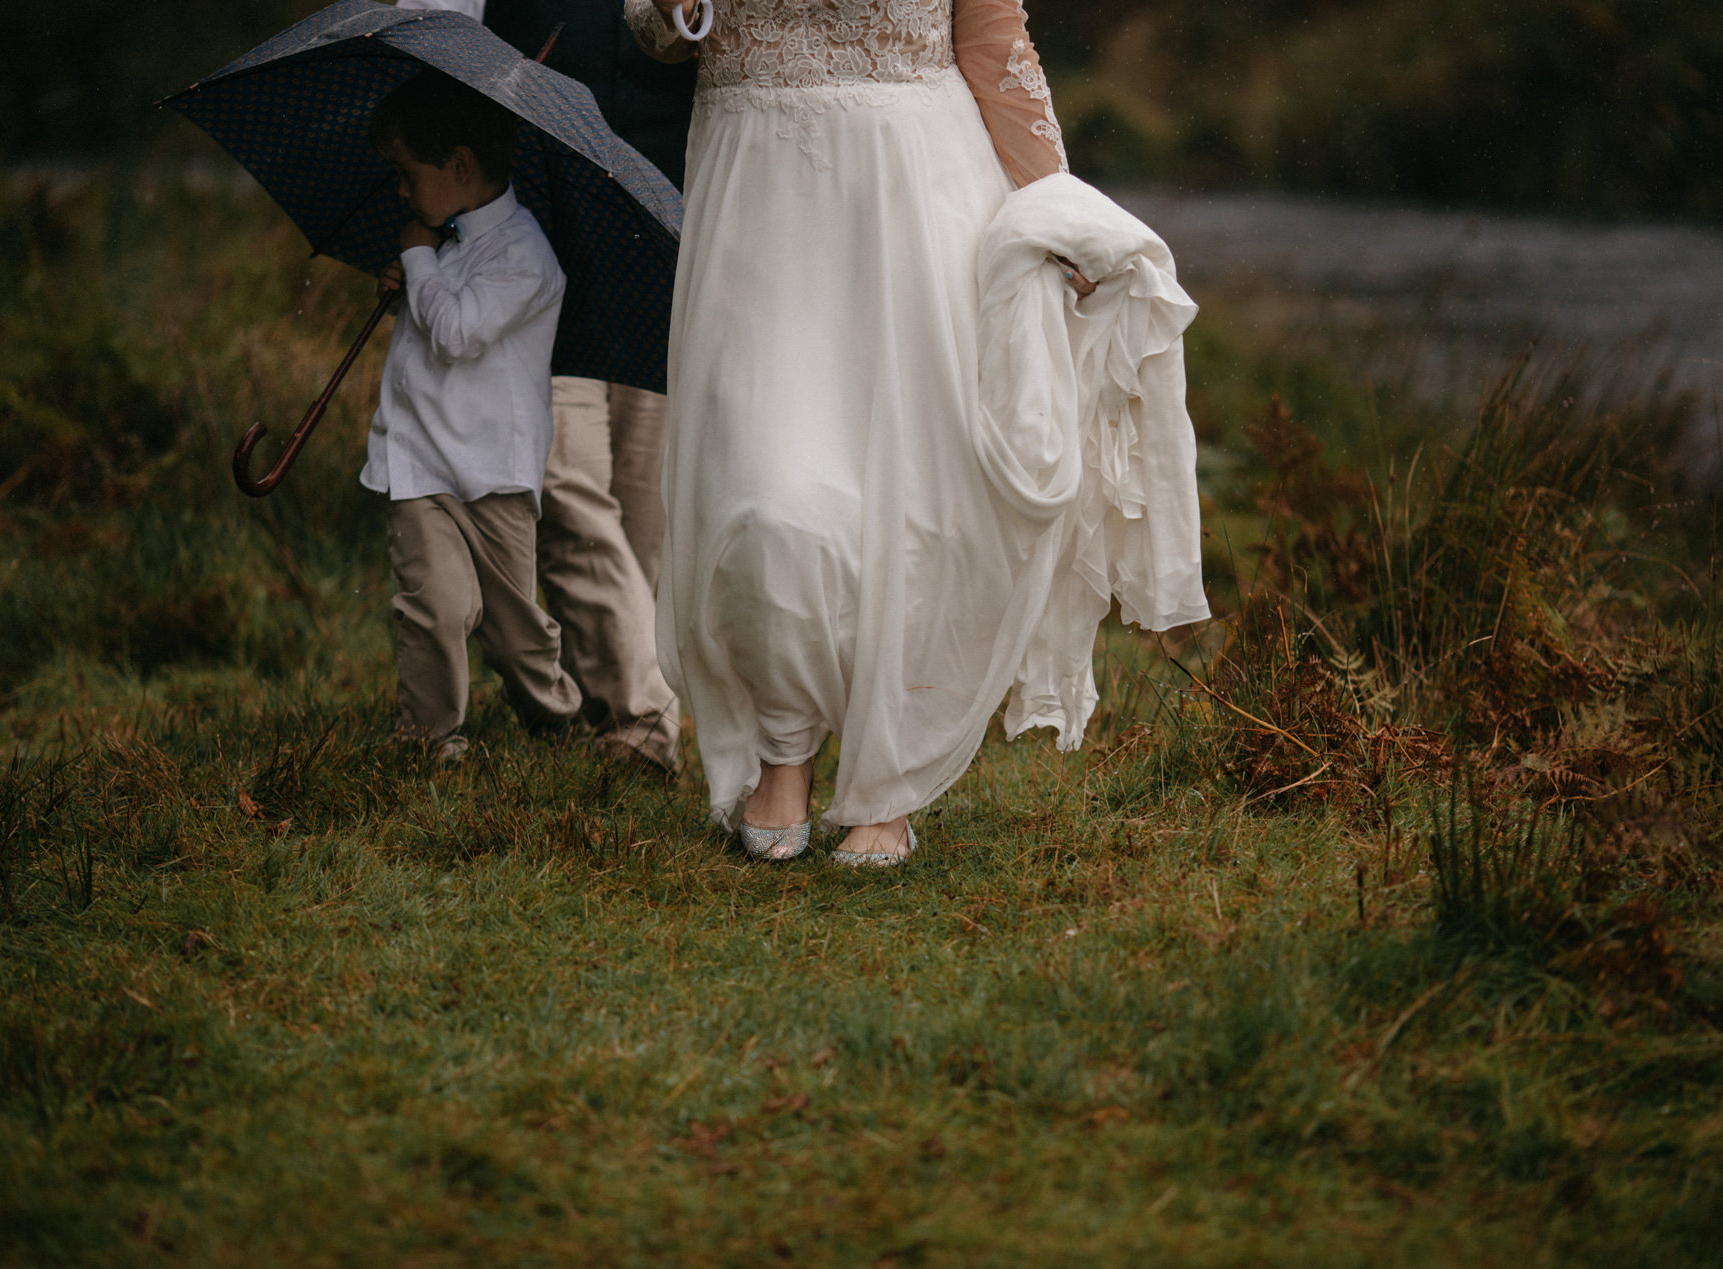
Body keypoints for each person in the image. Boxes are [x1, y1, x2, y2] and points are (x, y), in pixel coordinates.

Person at [629, 0, 1210, 864]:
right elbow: (652, 28)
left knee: (912, 493)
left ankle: (886, 781)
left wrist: (1055, 202)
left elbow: (991, 41)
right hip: (757, 192)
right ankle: (784, 746)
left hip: (915, 194)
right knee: (759, 485)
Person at [398, 0, 694, 776]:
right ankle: (642, 713)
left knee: (644, 489)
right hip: (528, 225)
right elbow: (431, 28)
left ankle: (634, 690)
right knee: (563, 483)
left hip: (665, 207)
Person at [363, 68, 582, 762]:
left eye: (406, 173)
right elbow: (433, 329)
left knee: (513, 632)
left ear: (459, 165)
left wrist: (420, 264)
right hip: (420, 458)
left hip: (493, 471)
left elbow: (458, 334)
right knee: (436, 605)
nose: (400, 190)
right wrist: (408, 284)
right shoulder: (443, 235)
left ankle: (551, 713)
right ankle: (430, 739)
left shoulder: (525, 253)